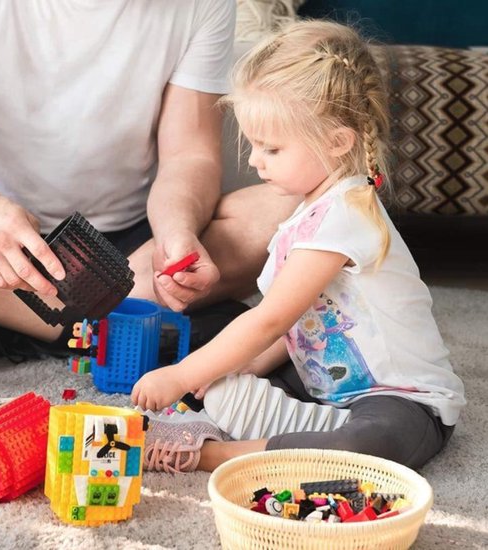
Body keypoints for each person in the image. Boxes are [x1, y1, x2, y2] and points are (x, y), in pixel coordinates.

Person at [132, 19, 466, 473]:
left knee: (371, 445)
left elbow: (269, 320)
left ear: (336, 142)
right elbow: (293, 333)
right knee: (224, 380)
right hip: (325, 385)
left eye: (271, 149)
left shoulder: (346, 216)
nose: (253, 161)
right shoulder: (304, 216)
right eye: (253, 145)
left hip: (400, 401)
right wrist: (230, 371)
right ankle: (311, 433)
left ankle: (218, 455)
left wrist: (182, 374)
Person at [0, 0, 301, 371]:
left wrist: (176, 232)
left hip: (129, 256)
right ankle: (98, 325)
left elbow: (189, 155)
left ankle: (7, 322)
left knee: (290, 210)